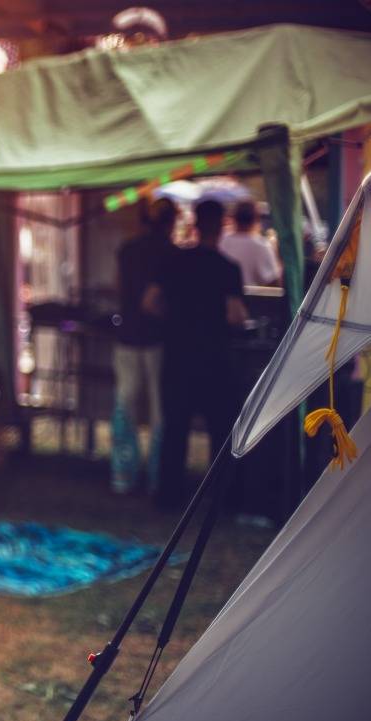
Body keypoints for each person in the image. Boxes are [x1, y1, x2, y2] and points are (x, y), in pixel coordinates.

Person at [144, 199, 248, 510]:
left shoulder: (172, 261)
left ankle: (169, 496)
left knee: (176, 426)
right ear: (222, 226)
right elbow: (235, 315)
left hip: (177, 354)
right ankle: (223, 498)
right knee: (220, 429)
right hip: (214, 357)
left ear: (195, 224)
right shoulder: (228, 268)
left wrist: (174, 318)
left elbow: (149, 303)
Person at [111, 198, 177, 495]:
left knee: (125, 405)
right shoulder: (171, 253)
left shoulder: (127, 250)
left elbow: (118, 287)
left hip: (126, 335)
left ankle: (123, 477)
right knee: (159, 411)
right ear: (171, 222)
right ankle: (156, 478)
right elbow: (154, 302)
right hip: (158, 340)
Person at [218, 200, 281, 287]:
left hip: (223, 295)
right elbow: (273, 281)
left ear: (234, 218)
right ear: (256, 219)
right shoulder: (262, 245)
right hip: (251, 298)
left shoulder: (221, 240)